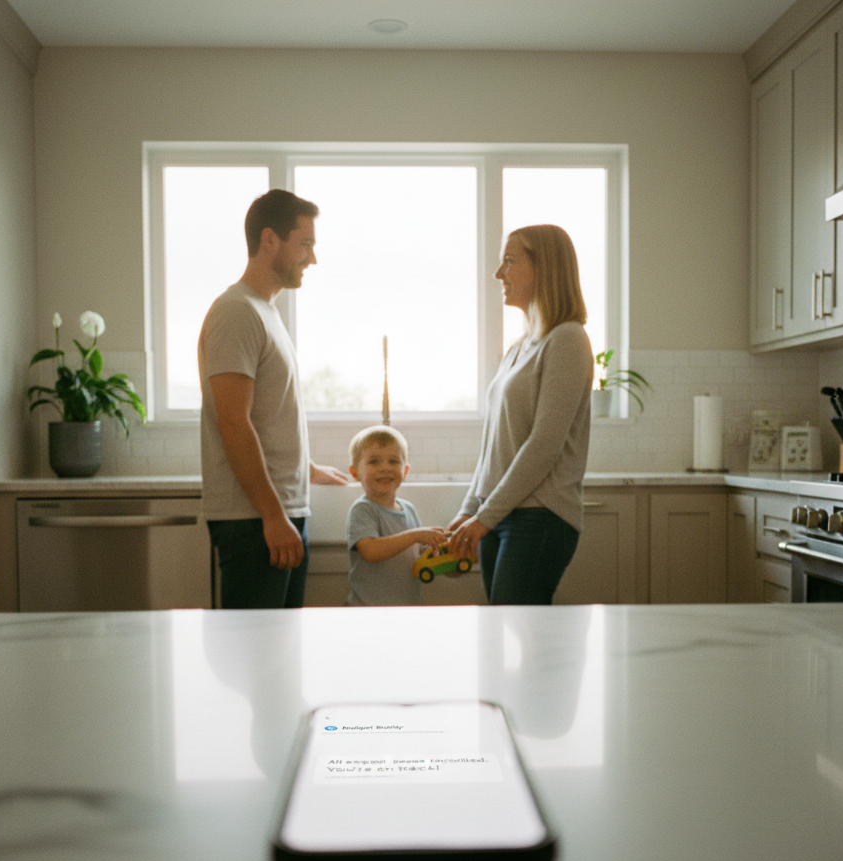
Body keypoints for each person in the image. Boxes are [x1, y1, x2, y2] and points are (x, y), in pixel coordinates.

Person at [199, 189, 350, 609]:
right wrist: (271, 515)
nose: (312, 258)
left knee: (278, 660)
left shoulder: (265, 312)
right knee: (256, 661)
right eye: (305, 244)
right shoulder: (236, 312)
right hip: (254, 519)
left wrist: (305, 467)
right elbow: (232, 421)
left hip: (275, 512)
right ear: (270, 240)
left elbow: (265, 414)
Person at [447, 224, 594, 605]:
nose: (499, 274)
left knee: (524, 642)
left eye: (509, 262)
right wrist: (470, 511)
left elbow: (544, 445)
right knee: (504, 637)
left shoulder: (567, 339)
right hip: (502, 515)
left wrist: (484, 517)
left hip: (540, 518)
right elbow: (493, 444)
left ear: (544, 268)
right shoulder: (519, 347)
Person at [345, 425, 446, 607]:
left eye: (393, 461)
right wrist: (416, 535)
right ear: (355, 473)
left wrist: (438, 553)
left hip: (406, 610)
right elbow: (370, 551)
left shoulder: (409, 509)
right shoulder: (363, 509)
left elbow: (419, 555)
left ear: (405, 472)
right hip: (367, 611)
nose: (385, 468)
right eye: (374, 462)